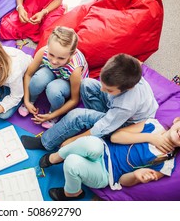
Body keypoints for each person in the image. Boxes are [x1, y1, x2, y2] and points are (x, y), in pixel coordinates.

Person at [39, 113, 180, 201]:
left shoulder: (166, 164)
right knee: (91, 143)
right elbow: (116, 138)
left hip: (105, 174)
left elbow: (124, 181)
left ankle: (72, 193)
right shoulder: (153, 125)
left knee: (72, 162)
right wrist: (150, 138)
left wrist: (136, 176)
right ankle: (55, 157)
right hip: (102, 149)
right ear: (178, 120)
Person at [21, 53, 159, 150]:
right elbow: (134, 62)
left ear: (127, 88)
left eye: (109, 89)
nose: (103, 90)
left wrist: (73, 140)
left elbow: (104, 125)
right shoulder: (128, 69)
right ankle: (96, 120)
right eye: (103, 83)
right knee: (86, 84)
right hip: (114, 108)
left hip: (128, 122)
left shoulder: (125, 106)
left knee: (78, 116)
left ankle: (46, 142)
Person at [18, 26, 88, 129]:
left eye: (61, 58)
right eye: (51, 54)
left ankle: (55, 111)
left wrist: (52, 115)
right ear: (48, 47)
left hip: (67, 81)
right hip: (52, 71)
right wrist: (27, 101)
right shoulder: (44, 52)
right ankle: (33, 99)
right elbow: (28, 74)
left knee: (53, 89)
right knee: (38, 79)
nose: (54, 61)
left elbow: (74, 99)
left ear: (72, 54)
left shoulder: (75, 69)